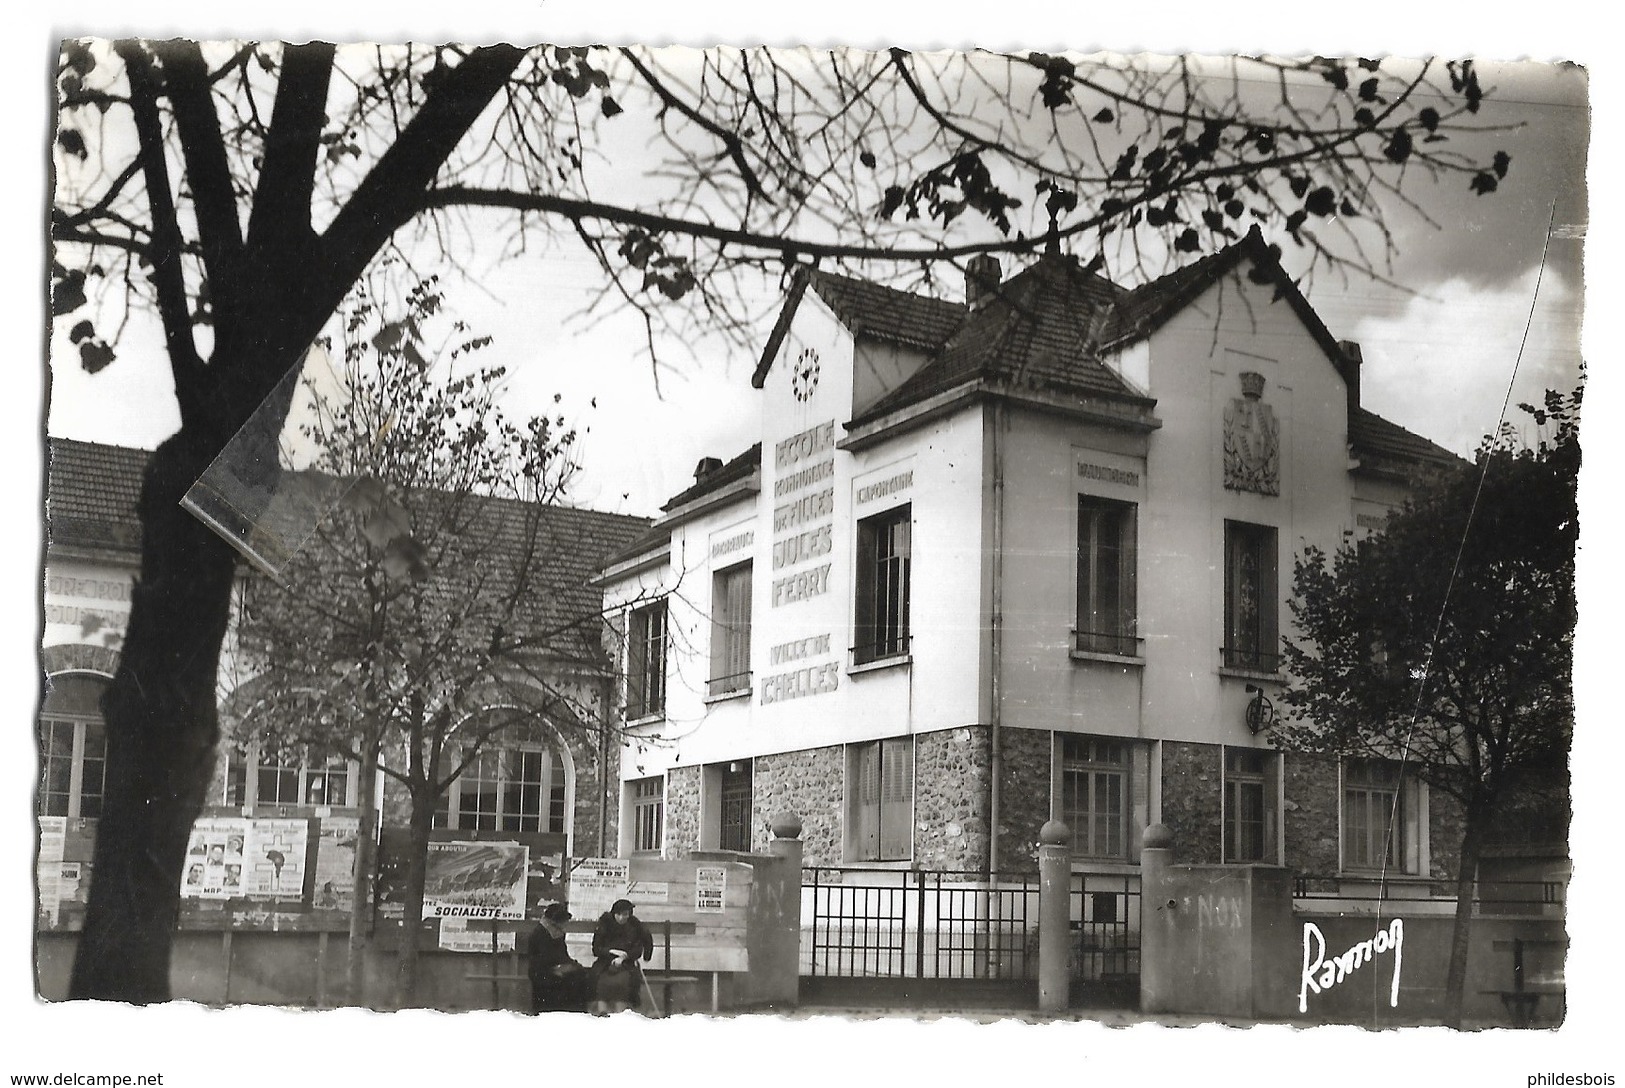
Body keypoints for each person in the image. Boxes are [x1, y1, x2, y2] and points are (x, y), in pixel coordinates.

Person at [589, 898, 653, 1014]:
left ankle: (621, 1014)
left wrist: (625, 957)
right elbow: (596, 949)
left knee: (623, 982)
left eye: (625, 915)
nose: (621, 918)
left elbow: (638, 948)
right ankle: (602, 1013)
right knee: (602, 981)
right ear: (613, 913)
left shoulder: (634, 926)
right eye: (618, 914)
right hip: (605, 963)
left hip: (627, 964)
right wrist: (611, 952)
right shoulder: (604, 924)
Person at [526, 903, 589, 1014]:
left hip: (555, 967)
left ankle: (575, 1013)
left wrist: (571, 964)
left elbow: (563, 954)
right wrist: (560, 967)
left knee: (581, 974)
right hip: (542, 971)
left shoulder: (557, 932)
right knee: (570, 981)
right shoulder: (540, 933)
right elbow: (543, 958)